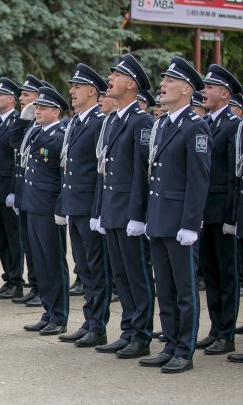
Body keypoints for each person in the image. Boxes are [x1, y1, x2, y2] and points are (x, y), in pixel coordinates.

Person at [139, 57, 210, 374]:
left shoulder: (195, 127)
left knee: (184, 290)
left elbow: (198, 181)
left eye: (169, 82)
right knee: (164, 287)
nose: (162, 86)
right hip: (159, 218)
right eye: (162, 81)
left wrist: (191, 225)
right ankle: (169, 343)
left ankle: (184, 349)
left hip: (180, 222)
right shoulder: (162, 124)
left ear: (186, 89)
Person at [94, 54, 155, 360]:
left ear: (131, 84)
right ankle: (128, 329)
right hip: (113, 208)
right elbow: (106, 170)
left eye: (115, 75)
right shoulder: (114, 120)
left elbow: (142, 173)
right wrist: (103, 211)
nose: (109, 80)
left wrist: (137, 215)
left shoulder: (141, 120)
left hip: (129, 212)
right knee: (121, 274)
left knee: (137, 274)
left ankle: (142, 335)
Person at [57, 64, 111, 347]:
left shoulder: (99, 122)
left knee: (95, 267)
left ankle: (98, 325)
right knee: (84, 268)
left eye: (77, 87)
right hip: (74, 205)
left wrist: (98, 210)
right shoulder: (77, 121)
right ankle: (89, 321)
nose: (71, 91)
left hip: (90, 206)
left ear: (92, 91)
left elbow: (101, 170)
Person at [195, 65, 242, 355]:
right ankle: (215, 328)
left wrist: (230, 217)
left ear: (224, 93)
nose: (204, 92)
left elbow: (232, 177)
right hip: (204, 211)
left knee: (227, 275)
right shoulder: (207, 123)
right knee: (210, 274)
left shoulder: (233, 125)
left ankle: (226, 332)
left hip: (221, 211)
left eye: (210, 88)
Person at [18, 85, 69, 335]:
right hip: (33, 205)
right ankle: (48, 311)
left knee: (53, 263)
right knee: (40, 262)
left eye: (43, 108)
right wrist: (22, 120)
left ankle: (59, 316)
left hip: (49, 209)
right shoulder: (36, 133)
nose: (37, 111)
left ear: (56, 111)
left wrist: (60, 208)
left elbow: (63, 176)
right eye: (37, 107)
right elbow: (14, 144)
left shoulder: (60, 135)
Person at [0, 77, 24, 300]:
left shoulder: (17, 122)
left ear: (11, 99)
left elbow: (17, 159)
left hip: (8, 189)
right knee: (1, 239)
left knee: (13, 238)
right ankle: (9, 278)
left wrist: (12, 190)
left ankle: (17, 280)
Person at [10, 75, 44, 307]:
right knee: (29, 244)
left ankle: (43, 288)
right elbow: (15, 145)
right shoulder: (28, 124)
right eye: (21, 95)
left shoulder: (43, 126)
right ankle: (35, 285)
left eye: (27, 96)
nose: (22, 99)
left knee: (41, 248)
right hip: (24, 192)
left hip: (38, 196)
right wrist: (22, 120)